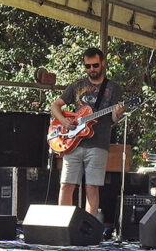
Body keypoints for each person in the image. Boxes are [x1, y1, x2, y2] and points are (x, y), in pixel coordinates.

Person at [51, 47, 124, 219]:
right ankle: (63, 223)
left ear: (103, 64)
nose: (92, 69)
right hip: (73, 143)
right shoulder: (77, 85)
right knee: (66, 185)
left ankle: (88, 226)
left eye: (95, 65)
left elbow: (114, 119)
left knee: (92, 187)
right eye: (88, 66)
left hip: (98, 143)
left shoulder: (113, 88)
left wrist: (118, 112)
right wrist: (64, 121)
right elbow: (55, 106)